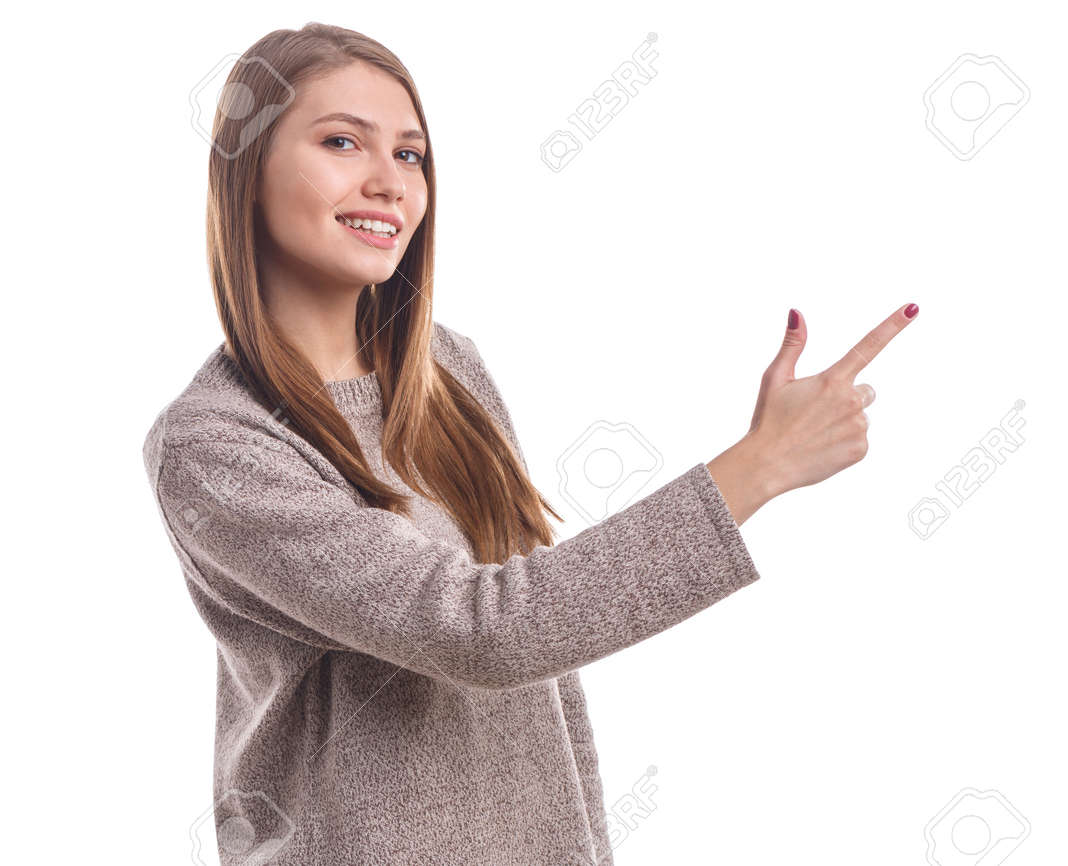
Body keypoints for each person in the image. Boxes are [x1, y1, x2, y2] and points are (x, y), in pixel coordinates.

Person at [143, 21, 919, 866]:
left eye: (411, 155)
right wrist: (758, 467)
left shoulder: (446, 371)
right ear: (246, 171)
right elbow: (482, 631)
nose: (389, 183)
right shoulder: (217, 444)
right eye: (342, 143)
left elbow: (544, 674)